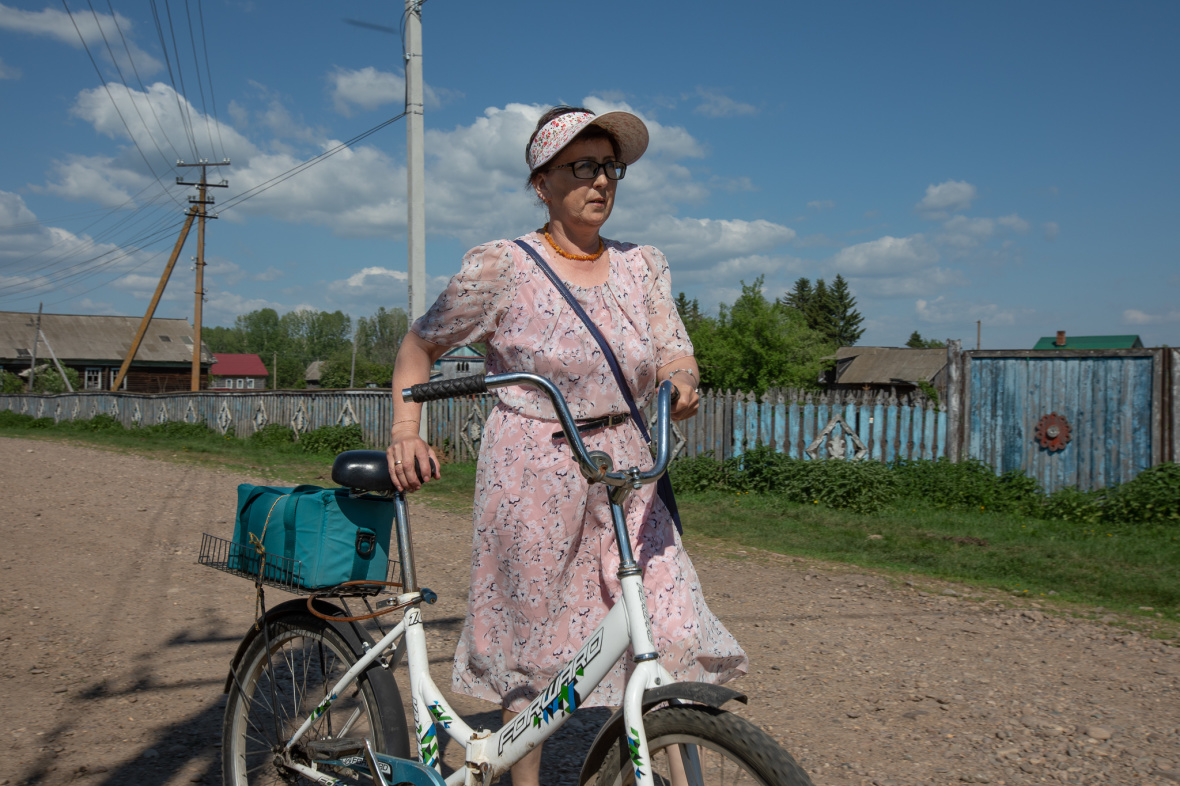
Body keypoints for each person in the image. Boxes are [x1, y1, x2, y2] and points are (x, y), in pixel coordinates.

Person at [387, 105, 747, 786]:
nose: (602, 181)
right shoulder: (502, 267)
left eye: (610, 166)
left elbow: (675, 352)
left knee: (670, 629)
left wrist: (680, 381)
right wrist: (407, 429)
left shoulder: (644, 267)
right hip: (533, 468)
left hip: (630, 470)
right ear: (542, 182)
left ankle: (677, 759)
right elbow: (420, 344)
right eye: (582, 166)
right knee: (536, 652)